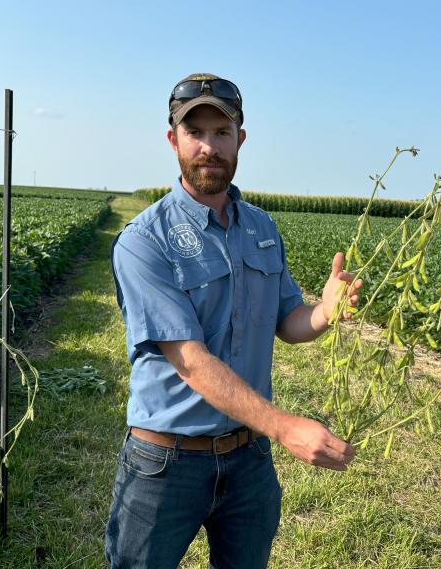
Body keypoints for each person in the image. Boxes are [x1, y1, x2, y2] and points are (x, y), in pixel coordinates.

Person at [104, 73, 362, 568]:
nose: (208, 147)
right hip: (165, 464)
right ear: (173, 140)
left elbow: (289, 321)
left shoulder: (262, 228)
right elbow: (191, 362)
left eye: (221, 133)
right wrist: (284, 427)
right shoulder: (144, 241)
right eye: (194, 132)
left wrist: (326, 311)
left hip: (248, 461)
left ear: (240, 139)